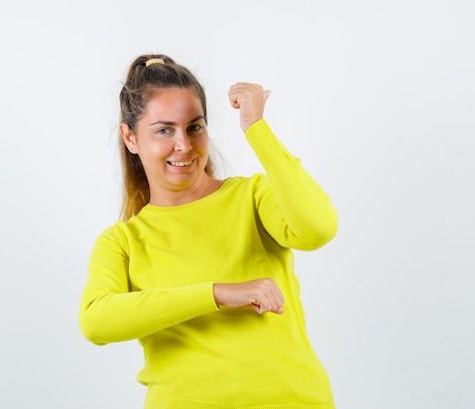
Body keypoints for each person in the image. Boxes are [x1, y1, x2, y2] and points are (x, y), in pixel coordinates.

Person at [79, 54, 339, 409]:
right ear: (130, 137)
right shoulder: (123, 241)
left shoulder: (252, 197)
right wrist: (216, 294)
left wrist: (256, 129)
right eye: (164, 130)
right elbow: (96, 320)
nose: (183, 145)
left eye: (194, 127)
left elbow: (318, 229)